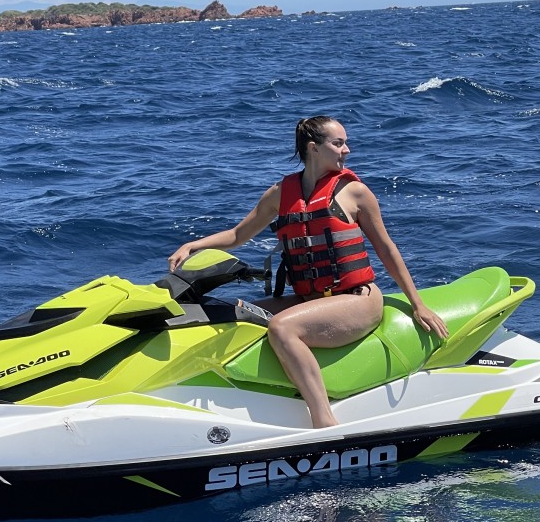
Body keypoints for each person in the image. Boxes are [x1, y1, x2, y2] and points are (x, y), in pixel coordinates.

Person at [168, 116, 449, 428]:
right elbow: (238, 235)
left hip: (357, 300)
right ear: (314, 148)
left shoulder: (354, 192)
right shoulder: (280, 193)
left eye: (345, 143)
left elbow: (386, 249)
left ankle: (324, 419)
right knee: (232, 315)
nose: (348, 150)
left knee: (282, 328)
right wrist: (194, 245)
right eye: (339, 143)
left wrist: (417, 303)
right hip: (309, 300)